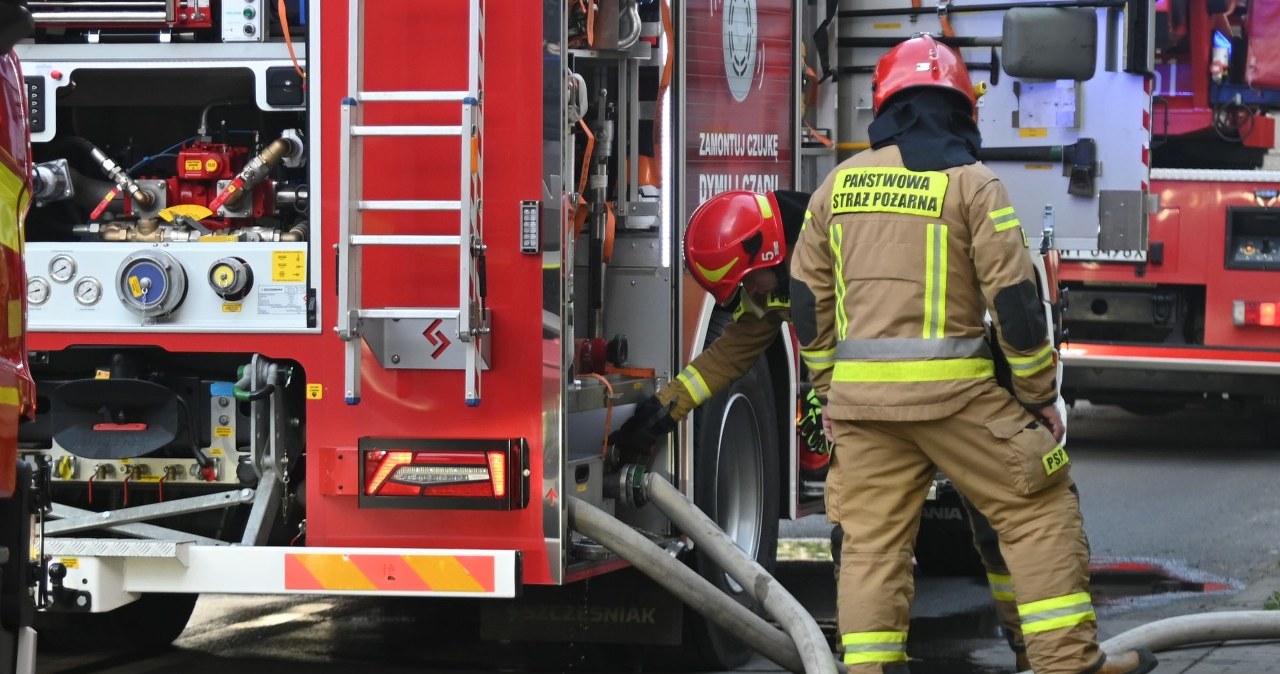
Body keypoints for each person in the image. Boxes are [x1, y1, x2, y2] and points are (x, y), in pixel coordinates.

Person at [789, 33, 1159, 674]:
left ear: (886, 106)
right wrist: (1040, 397)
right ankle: (1066, 663)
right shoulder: (972, 184)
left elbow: (805, 300)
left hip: (861, 409)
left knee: (872, 545)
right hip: (957, 401)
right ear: (960, 109)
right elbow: (1015, 303)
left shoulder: (835, 188)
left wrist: (826, 387)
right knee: (1038, 503)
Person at [609, 188, 814, 465]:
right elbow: (725, 358)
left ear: (769, 254)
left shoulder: (839, 251)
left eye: (748, 278)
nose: (750, 290)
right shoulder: (770, 285)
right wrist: (661, 412)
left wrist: (831, 393)